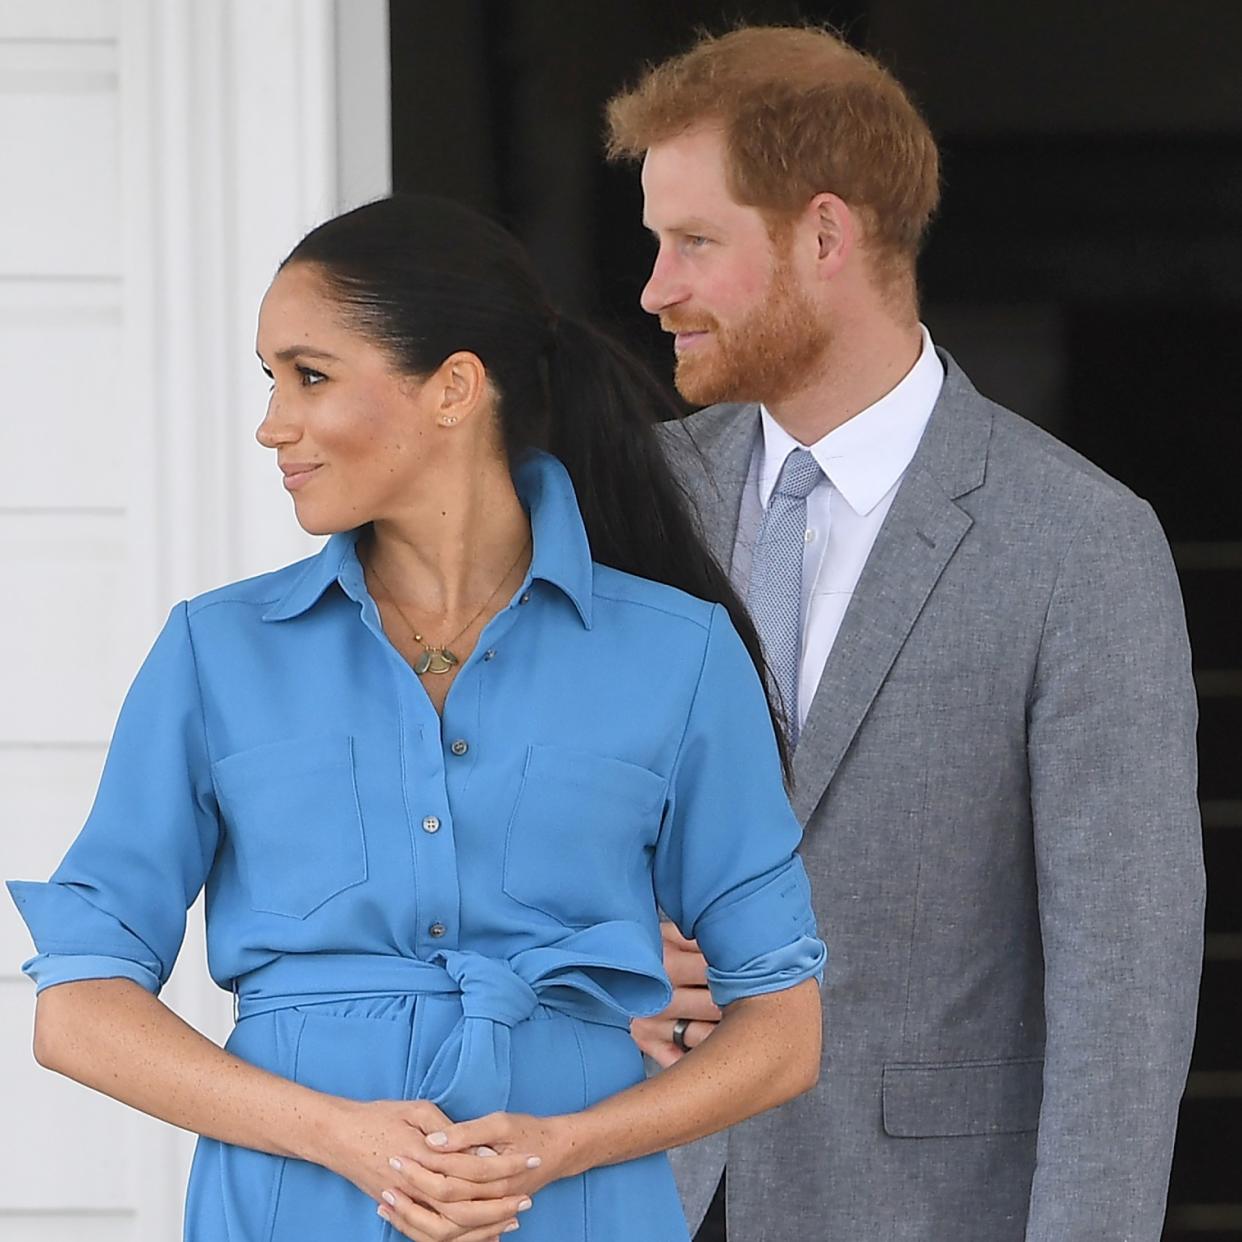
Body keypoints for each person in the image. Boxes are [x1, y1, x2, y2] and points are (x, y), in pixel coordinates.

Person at [6, 194, 826, 1242]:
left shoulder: (677, 652)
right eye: (271, 381)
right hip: (296, 1208)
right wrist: (342, 1135)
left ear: (452, 389)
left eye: (310, 375)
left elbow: (784, 1029)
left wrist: (566, 1144)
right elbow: (77, 1006)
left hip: (572, 1209)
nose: (272, 424)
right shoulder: (217, 653)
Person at [606, 24, 1205, 1242]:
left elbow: (1125, 986)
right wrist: (601, 947)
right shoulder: (634, 502)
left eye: (696, 243)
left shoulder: (1081, 545)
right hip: (632, 1189)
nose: (654, 288)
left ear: (826, 236)